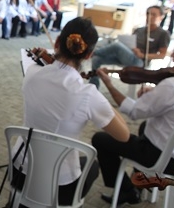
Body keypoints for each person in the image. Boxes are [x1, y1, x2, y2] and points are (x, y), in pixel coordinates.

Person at [16, 18, 130, 206]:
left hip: (21, 170)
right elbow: (123, 135)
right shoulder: (87, 95)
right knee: (92, 165)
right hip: (58, 185)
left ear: (57, 42)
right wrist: (104, 88)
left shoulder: (32, 73)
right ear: (88, 55)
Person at [92, 30, 174, 205]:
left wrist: (109, 84)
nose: (173, 55)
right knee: (145, 127)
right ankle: (139, 184)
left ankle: (127, 191)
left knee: (100, 139)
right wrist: (155, 95)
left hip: (160, 158)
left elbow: (134, 112)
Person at [89, 5, 170, 89]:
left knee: (117, 46)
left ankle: (91, 52)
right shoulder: (139, 30)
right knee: (96, 59)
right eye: (148, 14)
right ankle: (93, 86)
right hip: (128, 56)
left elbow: (162, 55)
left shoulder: (163, 34)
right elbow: (131, 43)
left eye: (153, 15)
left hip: (140, 62)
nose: (149, 16)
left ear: (161, 17)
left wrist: (143, 55)